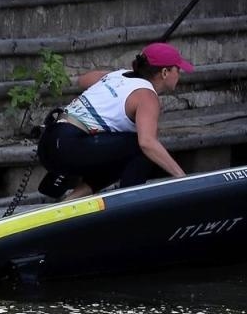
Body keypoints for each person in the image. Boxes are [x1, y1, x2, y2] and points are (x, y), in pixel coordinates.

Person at [37, 41, 193, 201]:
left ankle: (70, 202)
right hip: (69, 148)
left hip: (48, 142)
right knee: (141, 149)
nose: (180, 74)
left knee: (123, 154)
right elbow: (147, 143)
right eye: (178, 69)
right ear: (165, 72)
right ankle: (129, 204)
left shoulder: (118, 75)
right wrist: (182, 178)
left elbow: (83, 80)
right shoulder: (147, 96)